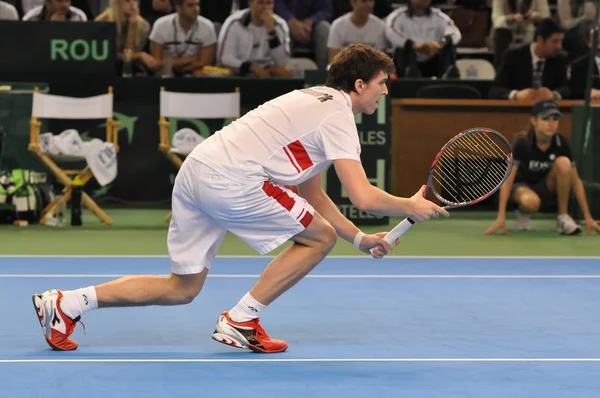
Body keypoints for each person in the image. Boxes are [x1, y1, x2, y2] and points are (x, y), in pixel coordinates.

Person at [32, 44, 448, 354]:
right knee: (318, 238)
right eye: (380, 85)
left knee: (183, 287)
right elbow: (363, 195)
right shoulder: (337, 112)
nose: (384, 94)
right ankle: (241, 320)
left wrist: (359, 240)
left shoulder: (311, 101)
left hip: (196, 171)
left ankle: (66, 303)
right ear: (359, 84)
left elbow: (312, 193)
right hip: (232, 179)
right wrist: (410, 206)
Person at [484, 99, 600, 236]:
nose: (551, 123)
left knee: (564, 162)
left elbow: (576, 181)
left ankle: (562, 218)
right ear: (534, 120)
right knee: (530, 202)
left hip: (547, 188)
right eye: (545, 119)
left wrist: (588, 217)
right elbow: (508, 180)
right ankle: (523, 212)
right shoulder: (522, 143)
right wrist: (501, 217)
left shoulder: (562, 144)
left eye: (555, 119)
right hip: (522, 189)